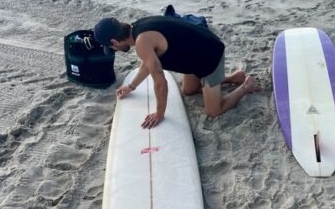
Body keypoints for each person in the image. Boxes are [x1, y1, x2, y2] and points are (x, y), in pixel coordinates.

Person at [93, 16, 261, 128]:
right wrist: (132, 86)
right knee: (188, 91)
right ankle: (231, 78)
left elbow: (160, 82)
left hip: (210, 57)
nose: (114, 49)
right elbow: (148, 64)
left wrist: (159, 113)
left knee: (213, 111)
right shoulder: (138, 28)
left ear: (114, 41)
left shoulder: (142, 42)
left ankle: (246, 86)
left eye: (111, 47)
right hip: (195, 57)